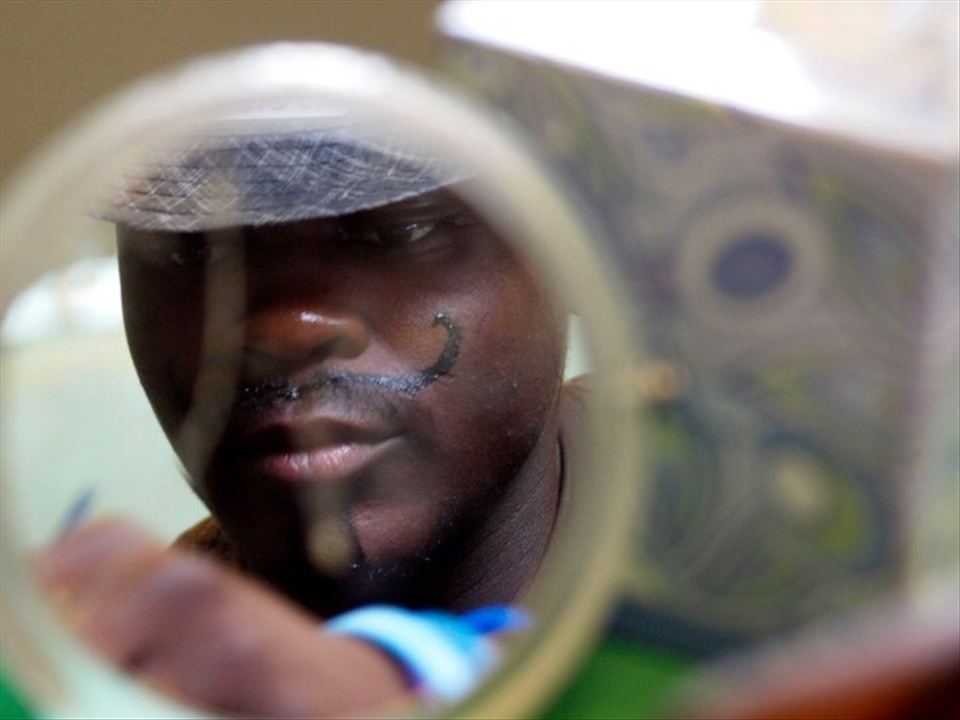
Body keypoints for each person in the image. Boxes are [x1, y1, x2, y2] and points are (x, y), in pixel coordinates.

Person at [34, 116, 584, 717]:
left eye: (406, 229)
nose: (287, 329)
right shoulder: (99, 682)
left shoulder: (697, 567)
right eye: (196, 248)